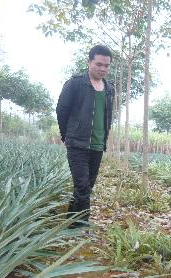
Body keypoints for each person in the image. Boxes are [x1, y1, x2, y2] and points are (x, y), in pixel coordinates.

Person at [56, 44, 115, 227]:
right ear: (89, 62)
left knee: (86, 187)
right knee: (82, 186)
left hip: (97, 146)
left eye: (106, 65)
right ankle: (82, 225)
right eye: (99, 64)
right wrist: (67, 135)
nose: (103, 69)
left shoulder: (109, 88)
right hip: (77, 144)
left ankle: (71, 222)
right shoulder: (75, 83)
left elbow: (108, 115)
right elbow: (61, 110)